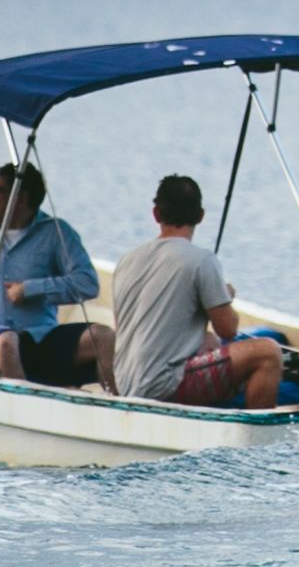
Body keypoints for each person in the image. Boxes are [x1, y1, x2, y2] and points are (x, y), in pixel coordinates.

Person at [103, 172, 282, 409]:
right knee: (268, 352)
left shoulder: (127, 260)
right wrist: (224, 297)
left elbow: (124, 326)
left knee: (209, 340)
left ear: (156, 214)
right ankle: (255, 430)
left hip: (126, 383)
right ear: (200, 216)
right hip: (164, 386)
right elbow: (228, 329)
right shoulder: (201, 260)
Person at [0, 160, 107, 390]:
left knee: (104, 337)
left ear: (21, 199)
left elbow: (88, 283)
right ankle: (28, 407)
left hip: (42, 339)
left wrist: (31, 289)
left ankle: (120, 405)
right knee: (7, 341)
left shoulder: (56, 232)